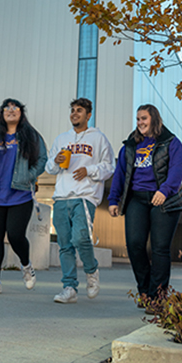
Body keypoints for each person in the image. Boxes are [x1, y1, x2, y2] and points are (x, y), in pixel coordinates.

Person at [108, 104, 182, 309]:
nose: (140, 123)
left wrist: (165, 190)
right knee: (134, 245)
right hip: (137, 199)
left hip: (164, 198)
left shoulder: (170, 142)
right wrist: (113, 199)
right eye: (137, 119)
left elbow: (177, 169)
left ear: (154, 119)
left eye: (143, 118)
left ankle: (158, 297)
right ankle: (145, 291)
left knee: (160, 248)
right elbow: (120, 174)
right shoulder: (130, 146)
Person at [46, 98, 115, 304]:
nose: (75, 114)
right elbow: (49, 168)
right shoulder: (61, 139)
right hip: (61, 197)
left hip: (84, 197)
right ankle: (69, 288)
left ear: (88, 115)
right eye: (73, 111)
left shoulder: (99, 138)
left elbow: (109, 166)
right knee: (64, 245)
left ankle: (91, 270)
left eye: (79, 110)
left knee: (80, 238)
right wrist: (55, 162)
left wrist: (90, 170)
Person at [0, 98, 47, 294]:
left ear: (21, 113)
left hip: (21, 195)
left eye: (15, 107)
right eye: (6, 107)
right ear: (1, 114)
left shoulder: (31, 136)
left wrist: (30, 176)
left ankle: (26, 266)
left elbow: (42, 159)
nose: (10, 110)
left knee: (16, 235)